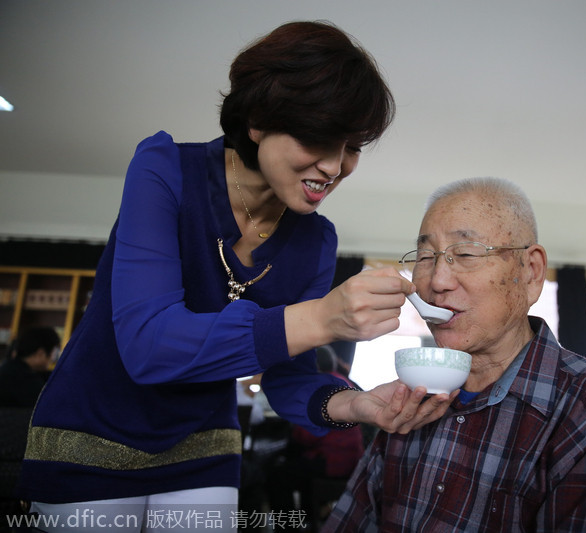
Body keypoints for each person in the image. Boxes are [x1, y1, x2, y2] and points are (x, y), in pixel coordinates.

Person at [16, 21, 455, 531]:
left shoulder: (316, 241)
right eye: (319, 138)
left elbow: (288, 382)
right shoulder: (164, 170)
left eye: (353, 147)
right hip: (90, 434)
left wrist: (359, 404)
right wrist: (322, 317)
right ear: (257, 120)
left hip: (205, 444)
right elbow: (148, 345)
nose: (335, 166)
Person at [323, 177, 586, 532]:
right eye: (425, 257)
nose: (437, 280)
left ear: (530, 272)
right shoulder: (412, 394)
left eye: (466, 254)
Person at [265, 345, 364, 518]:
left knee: (277, 476)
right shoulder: (341, 381)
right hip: (353, 459)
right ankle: (309, 516)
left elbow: (308, 435)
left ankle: (290, 527)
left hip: (332, 461)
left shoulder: (322, 387)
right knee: (295, 463)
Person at [0, 326, 60, 408]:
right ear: (40, 354)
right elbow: (51, 404)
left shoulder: (10, 367)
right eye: (54, 354)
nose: (53, 360)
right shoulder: (22, 378)